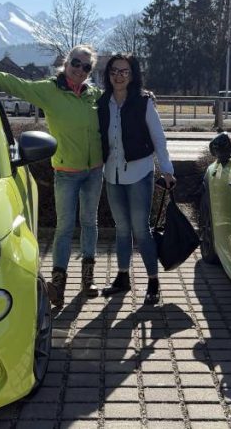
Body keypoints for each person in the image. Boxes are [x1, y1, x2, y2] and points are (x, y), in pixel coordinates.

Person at [0, 45, 103, 307]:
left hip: (94, 171)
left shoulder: (94, 96)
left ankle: (88, 280)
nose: (80, 70)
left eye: (86, 67)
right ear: (66, 63)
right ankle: (59, 284)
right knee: (64, 227)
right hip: (66, 171)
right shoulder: (48, 91)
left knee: (90, 223)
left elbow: (122, 100)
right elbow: (14, 83)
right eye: (76, 63)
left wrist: (143, 96)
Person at [96, 54, 174, 306]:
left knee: (141, 230)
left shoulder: (143, 102)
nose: (118, 76)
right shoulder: (102, 102)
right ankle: (122, 278)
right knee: (121, 229)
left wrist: (167, 169)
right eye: (113, 71)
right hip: (112, 174)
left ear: (133, 75)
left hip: (140, 173)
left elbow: (158, 138)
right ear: (107, 75)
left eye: (124, 71)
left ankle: (153, 281)